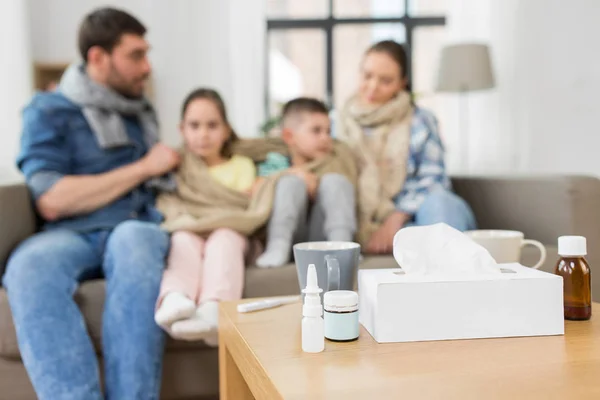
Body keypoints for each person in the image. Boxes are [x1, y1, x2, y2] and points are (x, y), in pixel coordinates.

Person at [2, 8, 180, 400]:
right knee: (28, 265)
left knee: (137, 242)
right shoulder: (48, 110)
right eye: (136, 55)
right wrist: (144, 167)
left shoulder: (138, 110)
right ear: (98, 57)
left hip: (134, 225)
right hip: (69, 232)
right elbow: (50, 199)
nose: (147, 67)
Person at [336, 40, 476, 254]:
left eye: (385, 80)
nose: (373, 86)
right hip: (361, 223)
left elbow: (434, 180)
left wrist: (395, 219)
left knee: (441, 203)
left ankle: (450, 275)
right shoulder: (337, 123)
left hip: (416, 221)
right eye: (367, 75)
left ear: (402, 83)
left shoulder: (420, 120)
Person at [154, 88, 259, 344]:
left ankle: (214, 308)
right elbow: (171, 204)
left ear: (226, 130)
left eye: (212, 125)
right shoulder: (177, 168)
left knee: (223, 240)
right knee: (182, 240)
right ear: (182, 130)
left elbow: (244, 208)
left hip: (231, 230)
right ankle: (175, 297)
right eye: (194, 125)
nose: (203, 134)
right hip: (191, 228)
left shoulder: (241, 165)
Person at [256, 98, 357, 268]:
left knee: (335, 181)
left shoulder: (335, 162)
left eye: (328, 131)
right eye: (316, 131)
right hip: (292, 238)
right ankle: (277, 246)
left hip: (323, 239)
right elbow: (258, 191)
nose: (325, 138)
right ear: (289, 136)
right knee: (290, 183)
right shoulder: (276, 163)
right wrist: (295, 174)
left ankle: (343, 247)